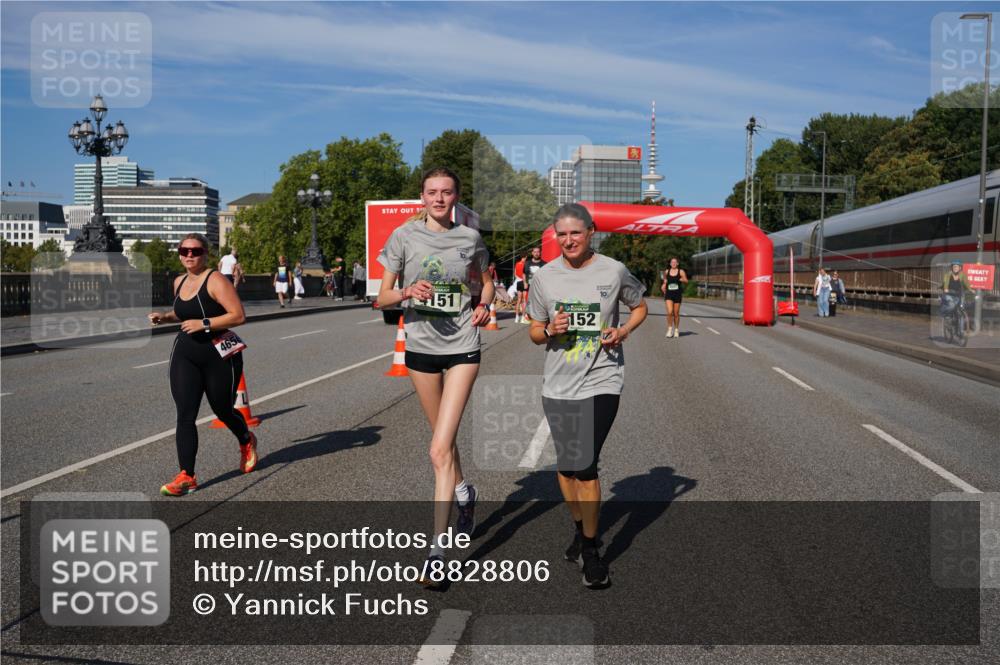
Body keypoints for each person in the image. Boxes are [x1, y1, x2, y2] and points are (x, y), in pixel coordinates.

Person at [376, 167, 494, 587]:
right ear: (422, 197)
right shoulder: (404, 236)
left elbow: (486, 281)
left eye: (446, 192)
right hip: (420, 350)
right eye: (432, 192)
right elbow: (381, 297)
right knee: (444, 448)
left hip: (463, 347)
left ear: (456, 197)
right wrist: (407, 292)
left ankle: (436, 553)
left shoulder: (470, 239)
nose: (439, 198)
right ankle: (464, 493)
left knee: (437, 449)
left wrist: (484, 306)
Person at [527, 203, 647, 589]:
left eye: (575, 233)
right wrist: (550, 330)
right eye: (561, 234)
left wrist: (624, 330)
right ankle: (580, 530)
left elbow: (640, 306)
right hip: (558, 382)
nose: (568, 240)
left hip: (602, 377)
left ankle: (593, 551)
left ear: (591, 232)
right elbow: (533, 329)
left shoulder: (612, 270)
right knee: (566, 467)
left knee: (584, 463)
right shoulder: (544, 277)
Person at [148, 233, 258, 496]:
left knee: (222, 409)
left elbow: (238, 316)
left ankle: (246, 439)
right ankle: (187, 475)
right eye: (183, 250)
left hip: (219, 353)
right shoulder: (179, 281)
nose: (188, 255)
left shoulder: (216, 280)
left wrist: (205, 323)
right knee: (185, 413)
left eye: (195, 251)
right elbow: (183, 312)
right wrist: (164, 317)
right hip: (186, 352)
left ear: (205, 253)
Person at [660, 257, 688, 338]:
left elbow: (686, 281)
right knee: (669, 312)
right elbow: (665, 281)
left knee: (676, 313)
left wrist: (681, 279)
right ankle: (669, 329)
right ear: (670, 263)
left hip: (677, 294)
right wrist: (663, 285)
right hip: (669, 294)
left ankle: (676, 330)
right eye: (672, 262)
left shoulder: (681, 271)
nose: (673, 263)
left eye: (675, 262)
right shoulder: (666, 271)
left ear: (677, 263)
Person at [521, 246, 546, 324]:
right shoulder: (527, 263)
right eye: (535, 252)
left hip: (540, 288)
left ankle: (539, 319)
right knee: (527, 302)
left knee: (540, 303)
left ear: (540, 252)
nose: (536, 253)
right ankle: (526, 316)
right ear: (532, 253)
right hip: (529, 287)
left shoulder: (544, 264)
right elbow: (524, 273)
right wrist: (525, 283)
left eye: (538, 252)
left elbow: (547, 276)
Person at [514, 253, 527, 323]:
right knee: (524, 300)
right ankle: (523, 317)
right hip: (524, 282)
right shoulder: (526, 264)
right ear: (525, 257)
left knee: (519, 300)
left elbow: (515, 274)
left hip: (518, 282)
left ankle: (516, 317)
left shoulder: (517, 264)